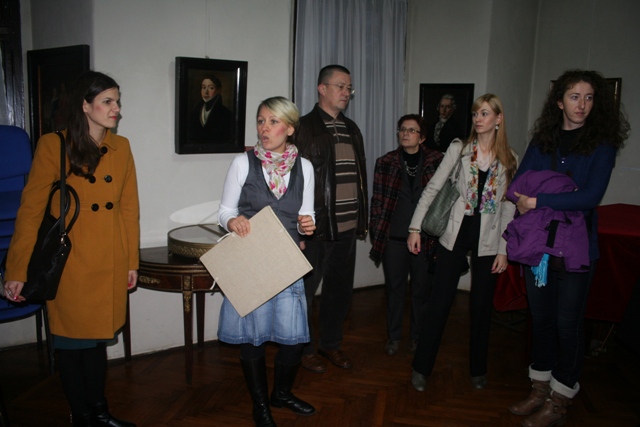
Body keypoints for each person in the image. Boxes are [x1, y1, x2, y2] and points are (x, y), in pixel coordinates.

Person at [3, 71, 139, 427]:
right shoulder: (53, 145)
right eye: (107, 101)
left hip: (109, 260)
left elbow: (129, 210)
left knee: (95, 345)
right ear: (85, 105)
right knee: (72, 346)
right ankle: (81, 416)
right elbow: (31, 211)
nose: (116, 108)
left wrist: (131, 262)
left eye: (117, 101)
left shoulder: (121, 147)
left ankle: (100, 412)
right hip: (70, 264)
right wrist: (17, 269)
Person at [507, 69, 630, 427]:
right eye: (575, 96)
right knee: (541, 319)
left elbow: (589, 198)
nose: (582, 104)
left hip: (576, 250)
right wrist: (562, 193)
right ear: (559, 102)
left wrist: (540, 198)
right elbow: (517, 188)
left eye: (589, 97)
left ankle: (560, 400)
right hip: (538, 248)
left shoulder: (602, 145)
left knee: (568, 325)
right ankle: (539, 388)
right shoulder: (543, 141)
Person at [217, 96, 317, 427]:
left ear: (289, 128)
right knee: (253, 337)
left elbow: (307, 214)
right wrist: (232, 221)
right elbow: (225, 211)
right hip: (251, 262)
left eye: (273, 121)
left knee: (295, 339)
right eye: (261, 121)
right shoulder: (243, 163)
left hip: (288, 262)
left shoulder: (305, 167)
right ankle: (260, 405)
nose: (265, 128)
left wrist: (308, 225)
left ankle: (282, 394)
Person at [407, 93, 518, 392]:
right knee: (440, 302)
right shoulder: (459, 149)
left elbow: (508, 207)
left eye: (485, 113)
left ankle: (478, 369)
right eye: (475, 114)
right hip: (454, 234)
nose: (478, 119)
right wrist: (415, 227)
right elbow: (432, 188)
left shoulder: (509, 158)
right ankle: (421, 367)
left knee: (481, 307)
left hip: (488, 239)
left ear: (498, 119)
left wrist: (504, 249)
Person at [293, 64, 368, 373]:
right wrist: (296, 227)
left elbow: (359, 178)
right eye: (340, 86)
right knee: (305, 292)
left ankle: (331, 344)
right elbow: (292, 182)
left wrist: (362, 218)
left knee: (339, 291)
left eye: (349, 88)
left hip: (347, 226)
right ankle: (304, 348)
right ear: (322, 89)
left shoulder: (352, 128)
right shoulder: (302, 128)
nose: (346, 92)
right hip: (316, 228)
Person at [369, 114, 443, 356]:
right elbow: (377, 200)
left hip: (425, 238)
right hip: (394, 238)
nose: (405, 133)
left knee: (421, 291)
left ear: (422, 137)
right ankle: (393, 337)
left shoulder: (437, 161)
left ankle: (417, 337)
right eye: (402, 129)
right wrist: (377, 228)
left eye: (412, 130)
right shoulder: (385, 162)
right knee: (394, 290)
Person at [188, 75, 233, 142]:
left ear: (219, 90)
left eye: (211, 88)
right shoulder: (195, 111)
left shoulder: (226, 114)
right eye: (204, 87)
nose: (206, 92)